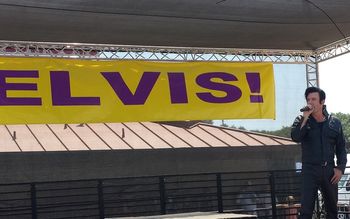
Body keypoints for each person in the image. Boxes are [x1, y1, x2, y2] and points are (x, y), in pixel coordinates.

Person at [291, 87, 347, 219]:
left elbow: (341, 148)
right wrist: (305, 118)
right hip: (309, 170)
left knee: (332, 210)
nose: (310, 102)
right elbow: (296, 137)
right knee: (306, 210)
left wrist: (340, 168)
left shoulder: (335, 122)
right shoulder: (301, 119)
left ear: (322, 101)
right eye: (308, 99)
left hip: (329, 171)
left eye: (314, 99)